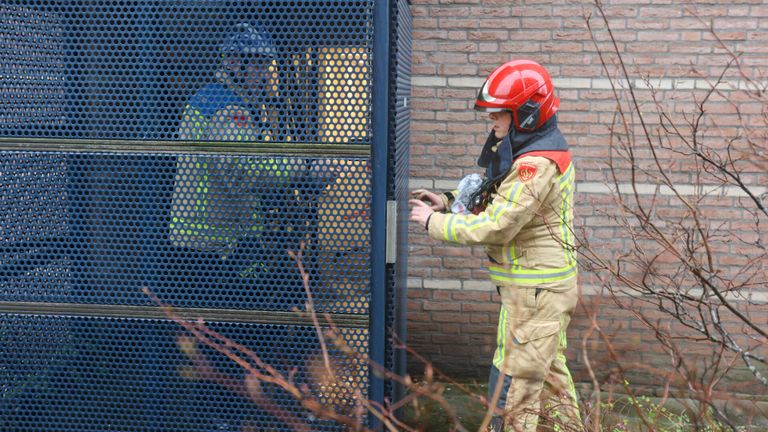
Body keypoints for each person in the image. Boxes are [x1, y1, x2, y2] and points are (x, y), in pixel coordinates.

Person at [409, 60, 581, 432]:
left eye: (499, 116)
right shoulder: (529, 150)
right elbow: (500, 192)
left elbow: (499, 224)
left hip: (535, 291)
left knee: (517, 386)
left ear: (526, 114)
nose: (493, 124)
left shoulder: (536, 162)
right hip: (539, 289)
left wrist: (433, 222)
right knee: (550, 380)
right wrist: (448, 198)